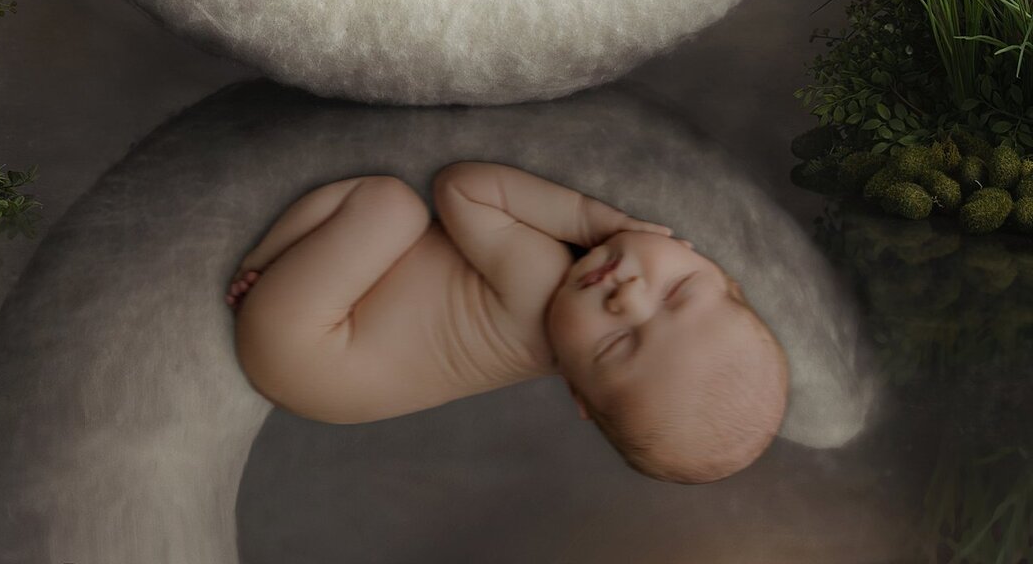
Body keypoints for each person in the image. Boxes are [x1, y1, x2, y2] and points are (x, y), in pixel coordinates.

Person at [227, 161, 789, 484]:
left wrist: (596, 220)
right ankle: (277, 287)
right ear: (722, 276)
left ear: (578, 389)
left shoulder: (541, 282)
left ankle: (260, 265)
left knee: (389, 203)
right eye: (675, 291)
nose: (628, 297)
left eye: (618, 343)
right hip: (319, 386)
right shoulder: (569, 330)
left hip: (305, 341)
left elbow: (463, 187)